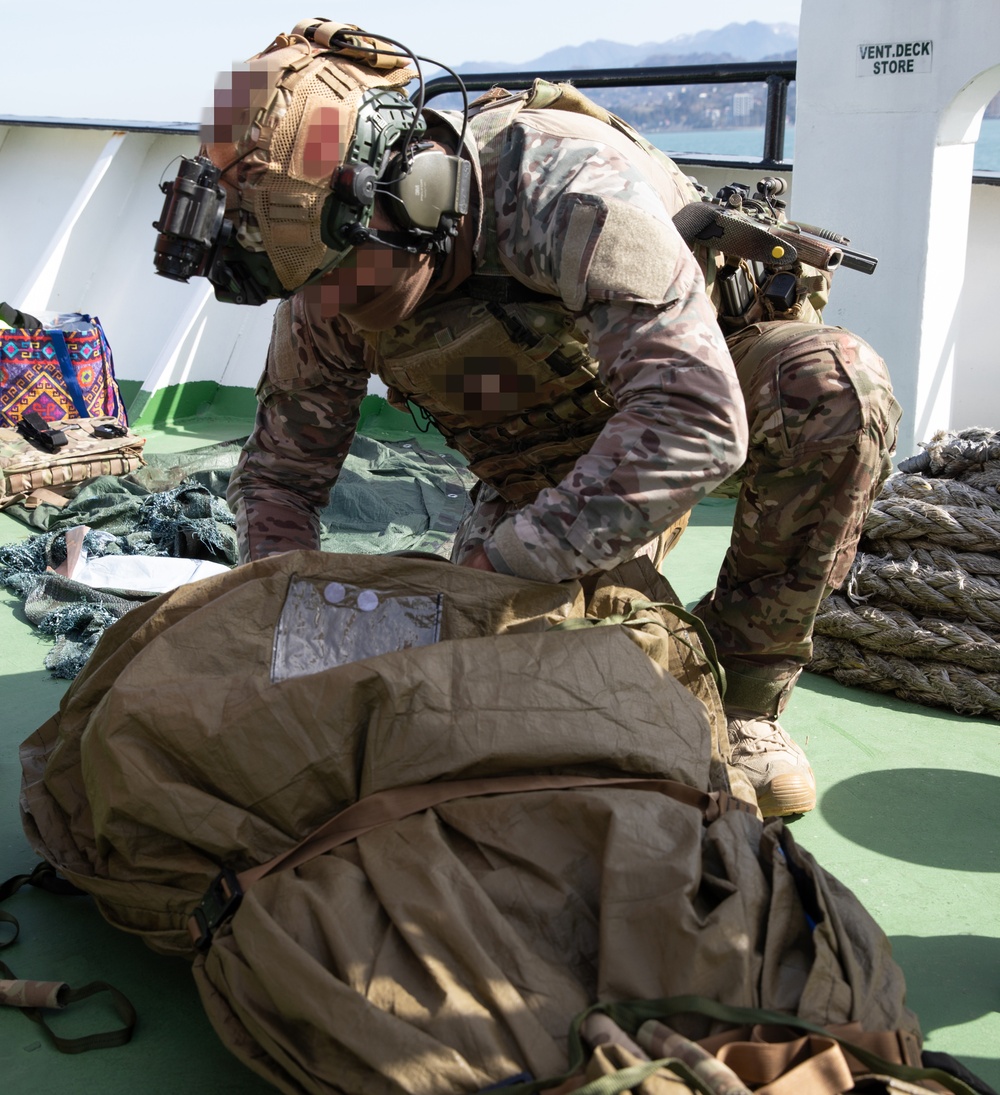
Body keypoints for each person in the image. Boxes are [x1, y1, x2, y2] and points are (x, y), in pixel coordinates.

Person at [155, 19, 900, 817]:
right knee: (490, 703)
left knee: (835, 385)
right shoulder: (320, 277)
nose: (334, 308)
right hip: (542, 460)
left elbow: (697, 415)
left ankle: (748, 697)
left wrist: (507, 566)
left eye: (347, 281)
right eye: (313, 288)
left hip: (704, 385)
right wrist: (282, 616)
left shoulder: (560, 186)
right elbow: (279, 477)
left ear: (417, 195)